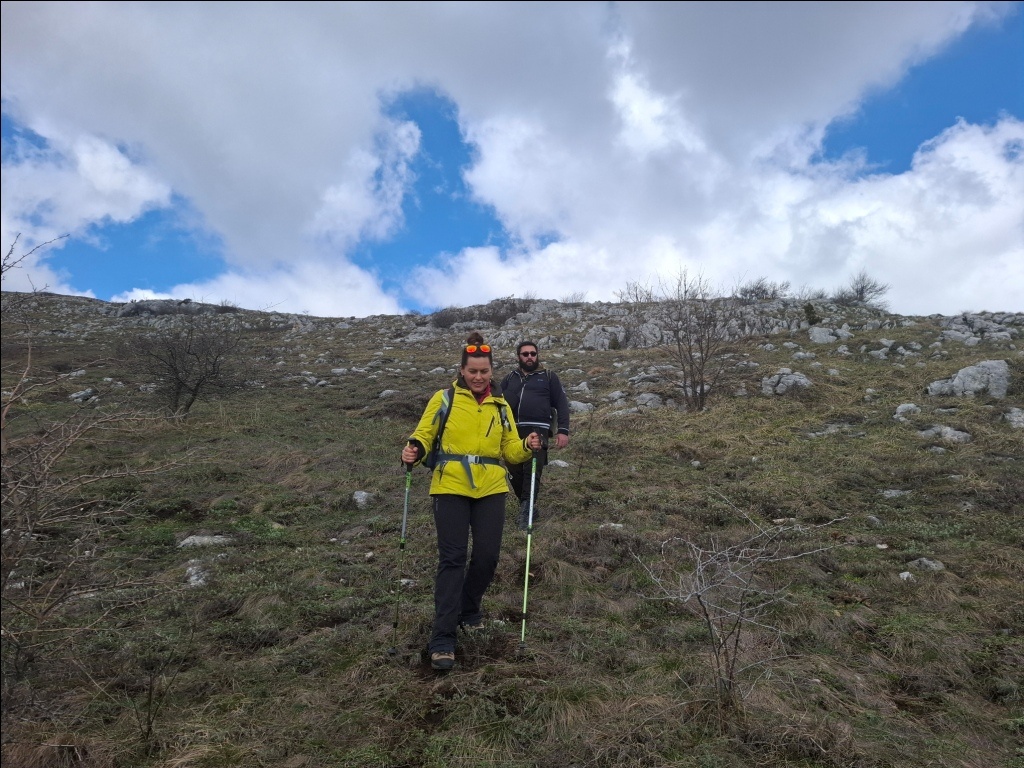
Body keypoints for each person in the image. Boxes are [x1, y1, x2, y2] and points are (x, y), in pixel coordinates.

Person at [401, 331, 543, 671]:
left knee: (487, 558)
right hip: (450, 485)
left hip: (491, 488)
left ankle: (468, 608)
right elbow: (424, 434)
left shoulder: (501, 405)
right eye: (472, 371)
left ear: (491, 371)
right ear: (462, 371)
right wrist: (415, 449)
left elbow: (510, 450)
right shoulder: (444, 399)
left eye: (484, 371)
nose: (478, 377)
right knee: (452, 559)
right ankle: (442, 639)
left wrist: (527, 446)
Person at [499, 340, 570, 530]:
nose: (530, 357)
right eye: (525, 354)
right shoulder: (509, 378)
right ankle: (527, 504)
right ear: (518, 357)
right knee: (513, 470)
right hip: (512, 431)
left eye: (533, 353)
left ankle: (526, 511)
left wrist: (563, 430)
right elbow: (497, 404)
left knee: (532, 469)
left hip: (538, 429)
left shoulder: (548, 376)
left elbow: (561, 403)